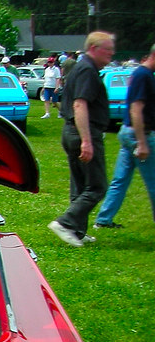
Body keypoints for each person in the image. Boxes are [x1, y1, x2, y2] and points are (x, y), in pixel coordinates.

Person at [48, 32, 116, 247]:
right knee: (97, 187)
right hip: (82, 131)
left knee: (80, 185)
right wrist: (87, 141)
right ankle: (66, 223)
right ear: (94, 48)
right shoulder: (87, 70)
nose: (111, 54)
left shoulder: (80, 67)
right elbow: (80, 104)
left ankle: (77, 231)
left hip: (70, 131)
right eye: (108, 50)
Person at [93, 43, 155, 230]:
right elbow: (136, 109)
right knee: (153, 182)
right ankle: (103, 219)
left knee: (120, 180)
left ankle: (103, 220)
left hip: (128, 134)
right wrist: (142, 143)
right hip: (139, 134)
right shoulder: (143, 75)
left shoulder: (143, 75)